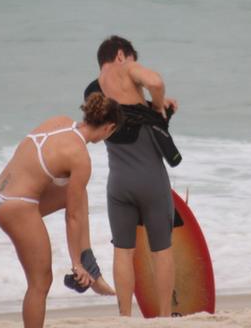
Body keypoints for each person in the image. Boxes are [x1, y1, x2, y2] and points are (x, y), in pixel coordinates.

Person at [0, 92, 121, 328]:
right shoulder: (80, 158)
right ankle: (85, 266)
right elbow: (73, 216)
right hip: (17, 207)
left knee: (77, 192)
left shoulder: (58, 122)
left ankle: (91, 266)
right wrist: (75, 264)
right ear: (109, 127)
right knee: (41, 283)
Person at [91, 35, 178, 317]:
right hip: (150, 181)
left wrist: (155, 111)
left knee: (123, 251)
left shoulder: (92, 92)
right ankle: (164, 317)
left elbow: (123, 120)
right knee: (161, 250)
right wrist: (157, 106)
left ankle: (125, 318)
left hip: (118, 185)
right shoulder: (126, 68)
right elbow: (155, 82)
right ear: (120, 55)